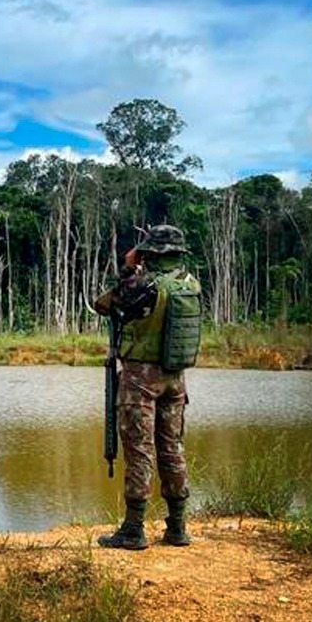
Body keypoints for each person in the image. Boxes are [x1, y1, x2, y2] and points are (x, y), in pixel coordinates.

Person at [92, 224, 202, 550]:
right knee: (172, 448)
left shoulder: (142, 283)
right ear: (179, 254)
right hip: (175, 378)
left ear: (150, 253)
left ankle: (133, 529)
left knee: (140, 450)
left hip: (140, 378)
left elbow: (102, 304)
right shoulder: (190, 284)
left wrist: (128, 266)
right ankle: (177, 527)